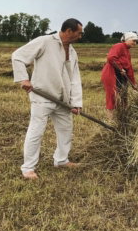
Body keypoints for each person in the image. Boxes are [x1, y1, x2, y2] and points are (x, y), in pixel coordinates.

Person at [11, 18, 84, 180]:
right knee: (36, 131)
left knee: (66, 130)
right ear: (69, 31)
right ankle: (28, 168)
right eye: (79, 33)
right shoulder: (45, 42)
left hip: (63, 100)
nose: (81, 36)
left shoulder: (72, 52)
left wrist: (76, 102)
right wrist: (24, 79)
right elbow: (17, 56)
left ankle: (61, 160)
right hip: (42, 96)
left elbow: (75, 78)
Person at [101, 31, 138, 120]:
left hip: (121, 74)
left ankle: (123, 117)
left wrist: (133, 84)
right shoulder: (119, 46)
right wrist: (120, 68)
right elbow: (111, 57)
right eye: (134, 41)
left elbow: (129, 68)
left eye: (136, 41)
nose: (135, 43)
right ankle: (111, 120)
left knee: (124, 95)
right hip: (111, 72)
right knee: (112, 95)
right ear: (127, 39)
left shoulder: (128, 52)